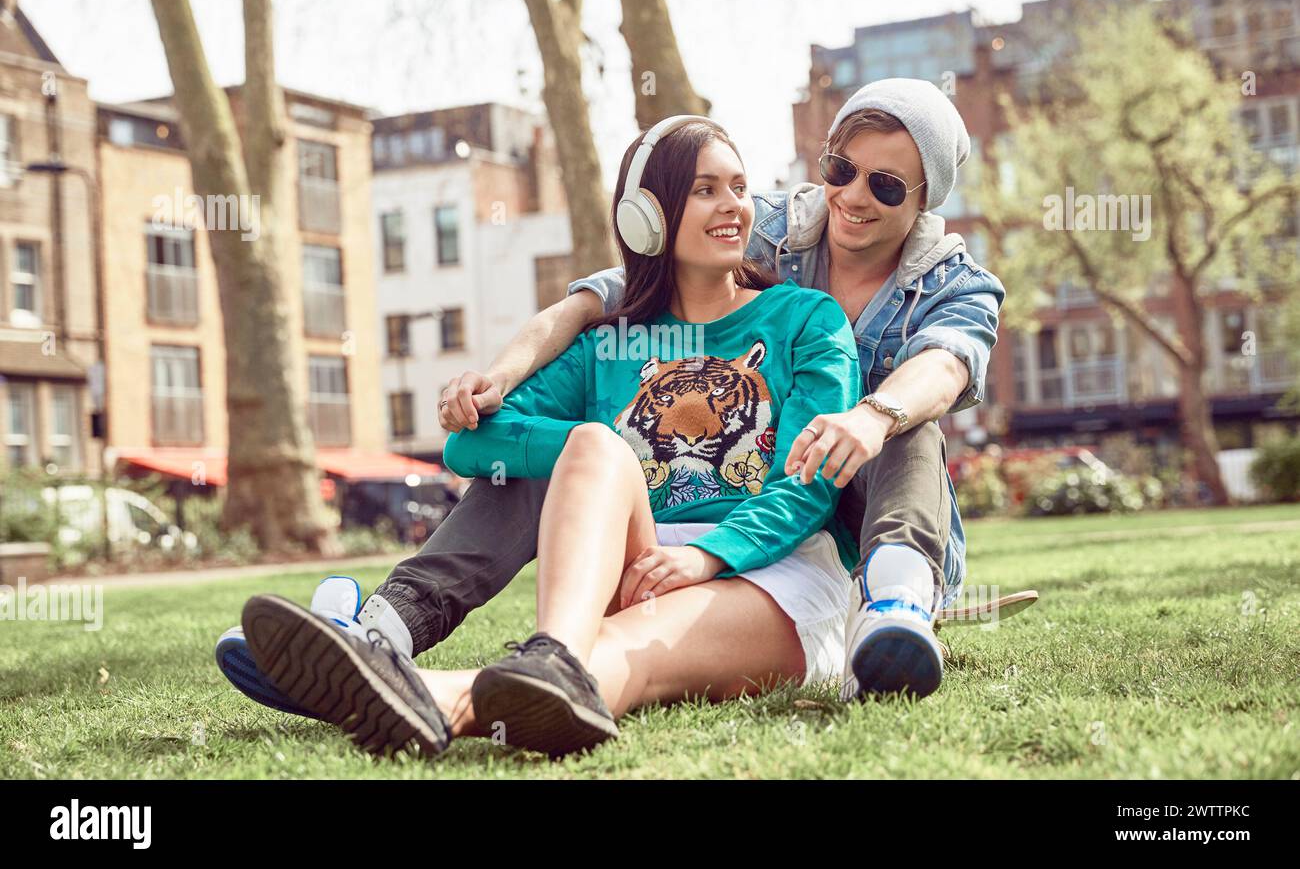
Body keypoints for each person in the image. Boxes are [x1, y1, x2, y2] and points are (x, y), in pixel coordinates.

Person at [218, 77, 1004, 718]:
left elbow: (937, 372)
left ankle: (896, 601)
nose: (852, 196)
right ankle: (407, 635)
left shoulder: (826, 314)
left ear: (923, 200)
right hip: (641, 546)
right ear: (652, 217)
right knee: (589, 446)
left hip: (797, 540)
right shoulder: (735, 255)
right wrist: (544, 409)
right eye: (840, 171)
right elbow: (579, 319)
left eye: (887, 184)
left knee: (901, 408)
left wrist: (711, 548)